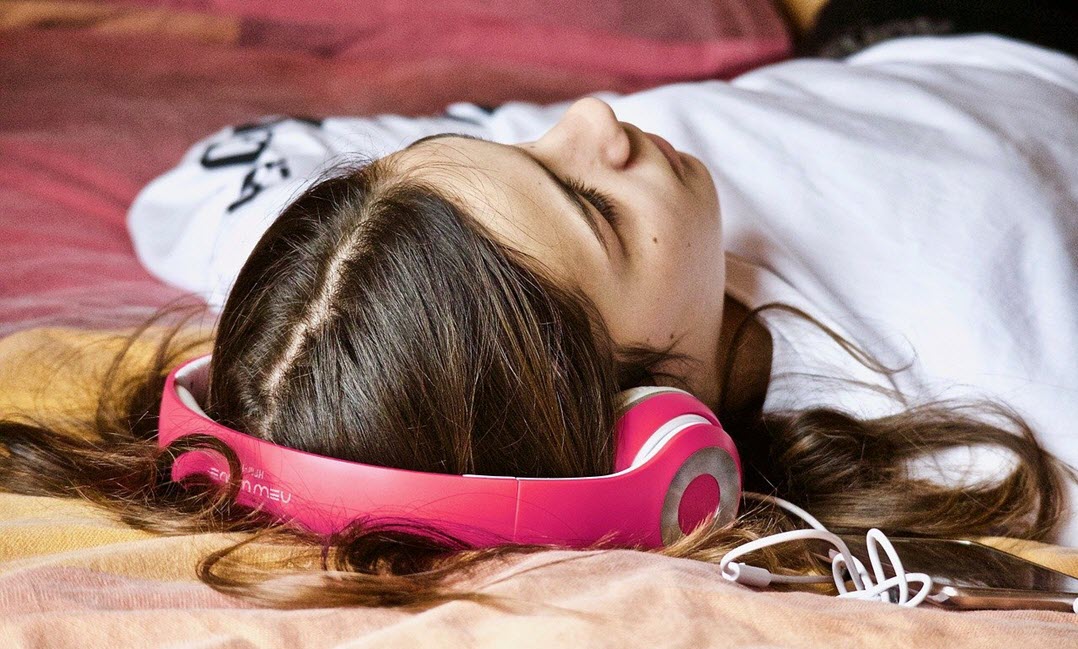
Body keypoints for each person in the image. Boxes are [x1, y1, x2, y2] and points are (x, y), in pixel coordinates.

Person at [3, 2, 1078, 610]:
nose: (593, 119)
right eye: (591, 208)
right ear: (655, 429)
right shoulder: (1017, 391)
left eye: (513, 147)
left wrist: (338, 332)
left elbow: (201, 178)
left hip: (885, 30)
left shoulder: (401, 257)